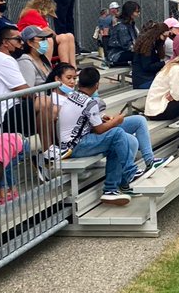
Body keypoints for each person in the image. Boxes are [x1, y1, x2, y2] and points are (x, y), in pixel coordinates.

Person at [57, 67, 138, 206]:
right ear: (97, 85)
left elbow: (85, 119)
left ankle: (110, 190)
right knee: (117, 133)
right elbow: (100, 130)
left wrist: (102, 117)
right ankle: (130, 172)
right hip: (75, 146)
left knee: (115, 144)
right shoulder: (90, 102)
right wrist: (115, 121)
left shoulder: (73, 96)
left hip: (68, 145)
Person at [0, 26, 31, 134]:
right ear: (6, 42)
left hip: (8, 112)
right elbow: (25, 92)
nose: (22, 43)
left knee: (48, 106)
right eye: (18, 40)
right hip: (3, 117)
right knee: (46, 104)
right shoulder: (4, 60)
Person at [17, 0, 77, 66]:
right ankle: (65, 66)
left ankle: (73, 66)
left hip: (38, 38)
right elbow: (46, 30)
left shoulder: (39, 15)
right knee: (63, 38)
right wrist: (57, 36)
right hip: (30, 41)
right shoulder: (32, 12)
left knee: (70, 36)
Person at [131, 22, 168, 89]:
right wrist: (164, 63)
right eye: (164, 36)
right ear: (158, 33)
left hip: (148, 78)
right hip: (143, 80)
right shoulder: (146, 46)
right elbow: (147, 66)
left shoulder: (154, 45)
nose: (165, 39)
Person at [105, 0, 141, 67]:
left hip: (124, 51)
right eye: (137, 12)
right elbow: (127, 46)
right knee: (141, 55)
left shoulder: (131, 24)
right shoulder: (122, 26)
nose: (139, 13)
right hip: (116, 54)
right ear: (130, 12)